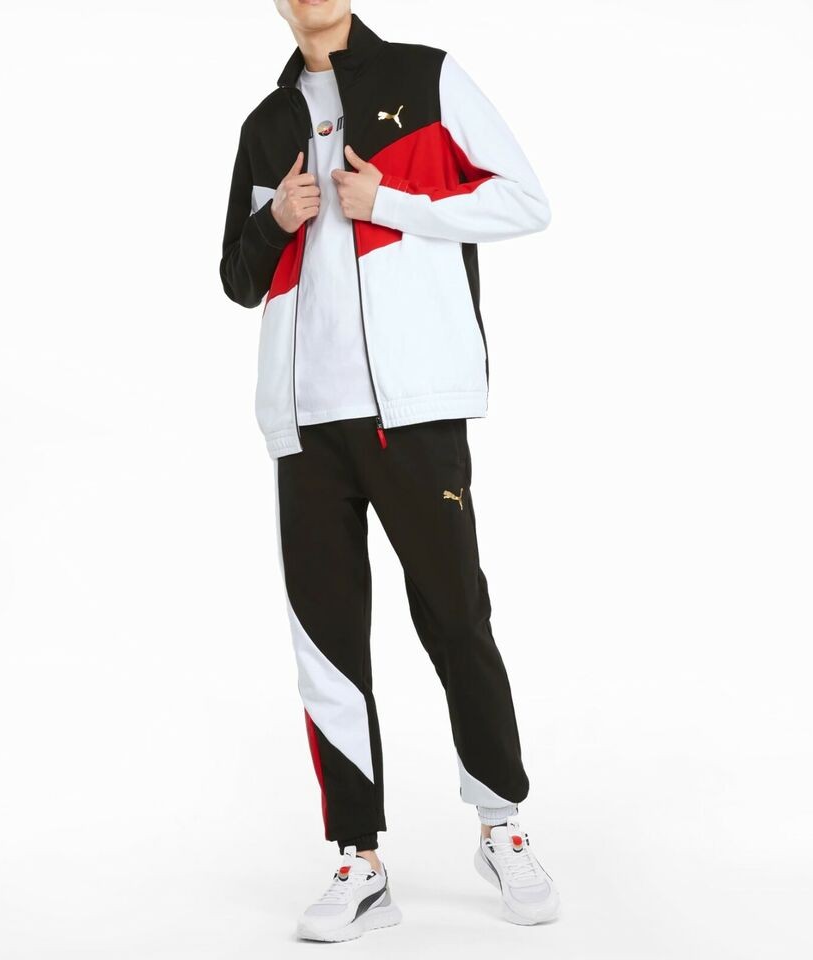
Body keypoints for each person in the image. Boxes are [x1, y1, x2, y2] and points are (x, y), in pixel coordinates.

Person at [219, 1, 558, 941]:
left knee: (455, 616)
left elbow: (525, 200)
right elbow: (238, 277)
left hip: (412, 409)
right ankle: (359, 861)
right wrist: (279, 217)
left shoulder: (428, 76)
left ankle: (502, 824)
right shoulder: (266, 123)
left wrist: (392, 204)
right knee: (327, 644)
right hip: (304, 420)